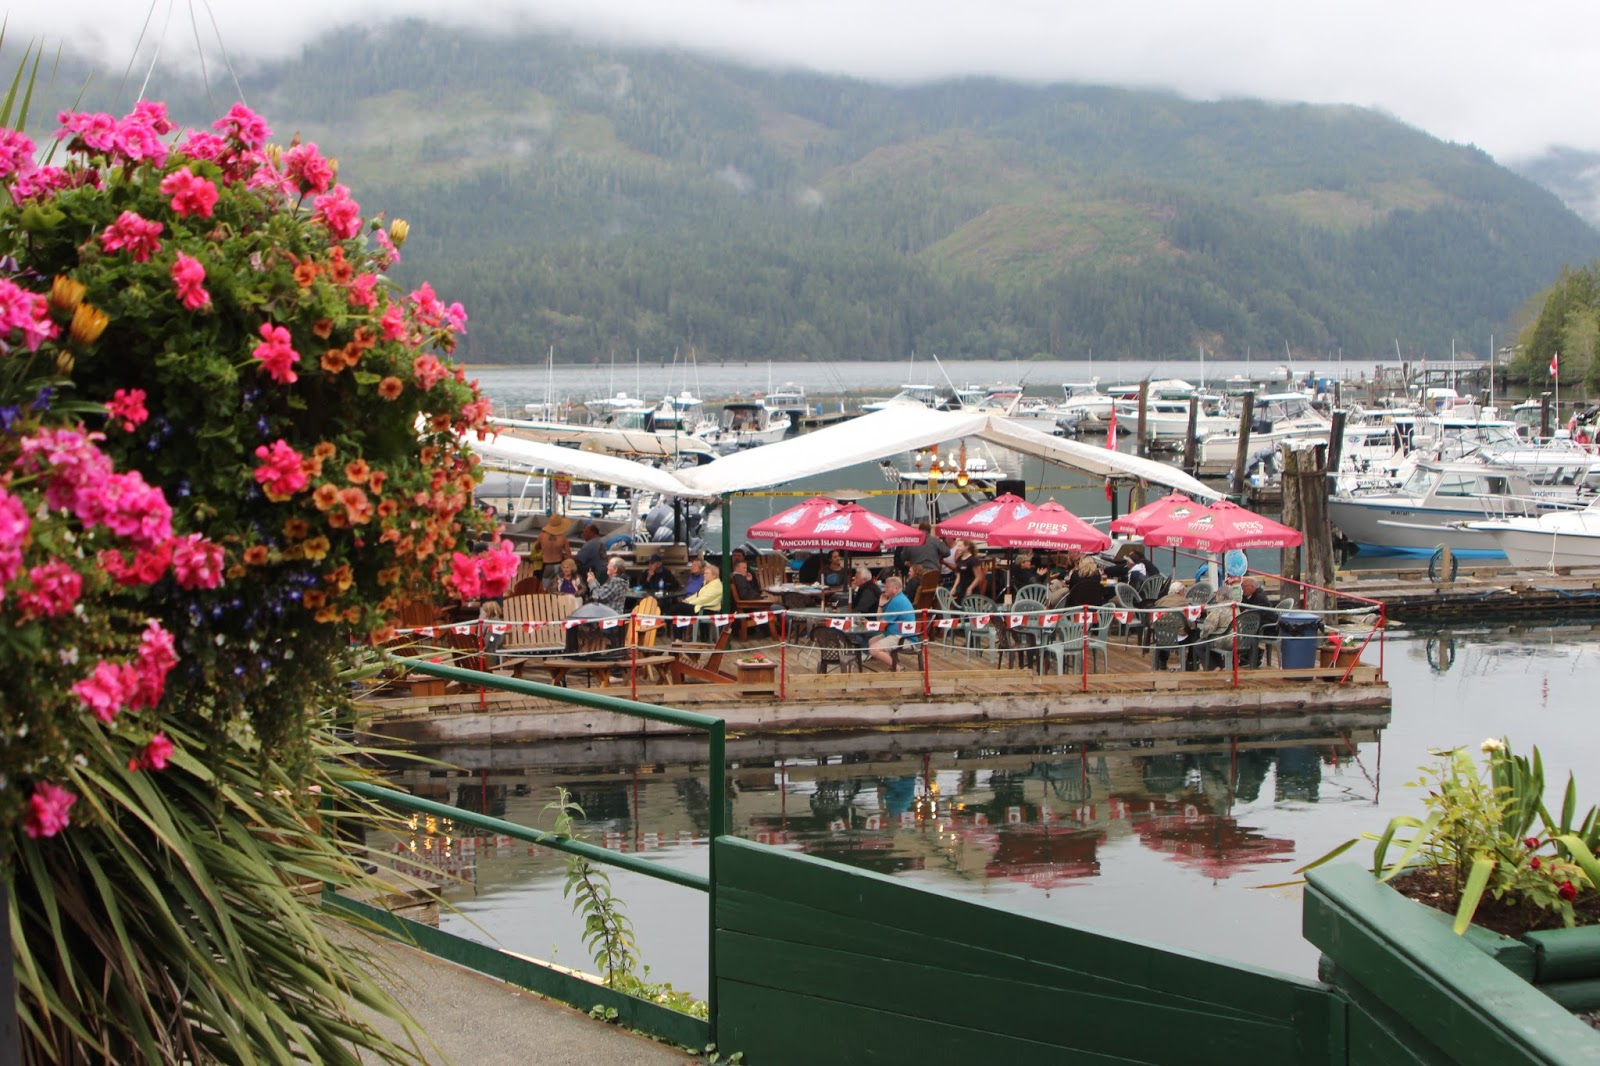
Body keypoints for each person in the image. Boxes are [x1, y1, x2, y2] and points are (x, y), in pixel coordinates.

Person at [868, 574, 917, 669]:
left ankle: (897, 668)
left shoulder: (897, 601)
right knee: (872, 641)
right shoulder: (896, 599)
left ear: (895, 589)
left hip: (904, 638)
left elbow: (881, 624)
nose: (884, 589)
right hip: (894, 634)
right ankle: (892, 664)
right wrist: (880, 605)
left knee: (873, 649)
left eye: (887, 587)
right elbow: (880, 621)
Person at [847, 565, 881, 648]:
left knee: (847, 626)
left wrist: (850, 615)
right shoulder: (863, 588)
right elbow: (854, 604)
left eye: (857, 577)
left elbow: (861, 608)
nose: (854, 578)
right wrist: (852, 590)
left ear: (864, 580)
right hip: (866, 618)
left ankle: (862, 649)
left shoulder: (869, 590)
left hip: (871, 621)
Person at [536, 514, 573, 578]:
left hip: (546, 564)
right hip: (558, 563)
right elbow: (568, 554)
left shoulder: (542, 536)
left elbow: (536, 548)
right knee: (559, 583)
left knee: (546, 583)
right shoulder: (563, 538)